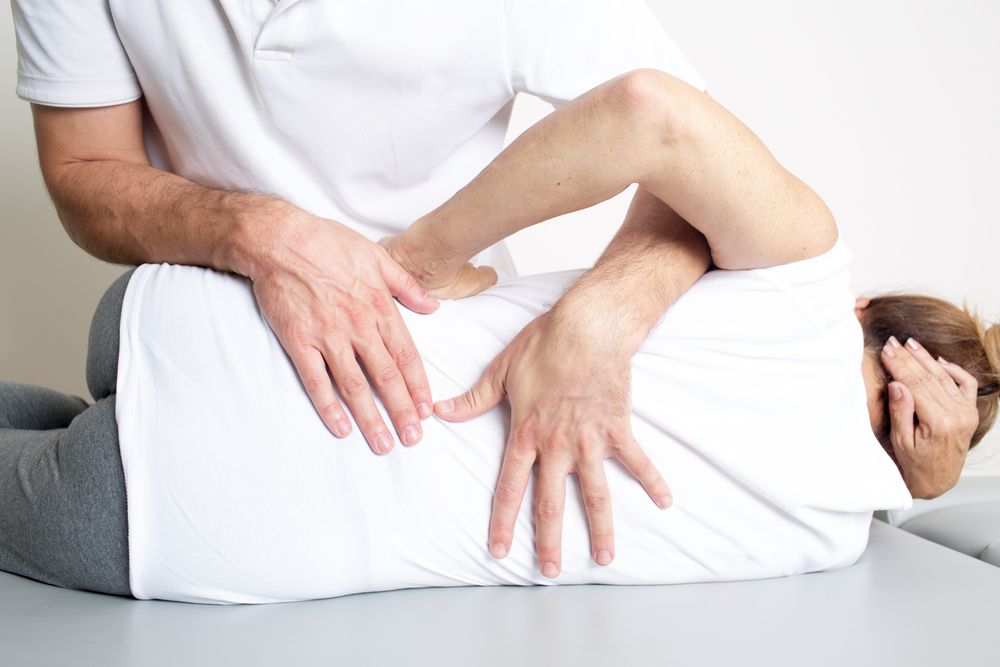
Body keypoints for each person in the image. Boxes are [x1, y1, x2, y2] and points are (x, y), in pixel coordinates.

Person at [1, 69, 996, 604]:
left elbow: (650, 111)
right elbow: (887, 498)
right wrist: (925, 480)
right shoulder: (831, 534)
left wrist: (421, 256)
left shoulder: (802, 280)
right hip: (181, 519)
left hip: (205, 316)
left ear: (866, 310)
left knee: (80, 418)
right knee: (65, 449)